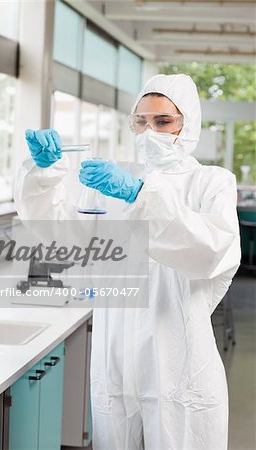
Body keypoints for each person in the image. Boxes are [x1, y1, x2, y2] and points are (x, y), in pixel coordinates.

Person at [15, 74, 241, 449]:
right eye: (141, 121)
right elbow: (63, 237)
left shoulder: (211, 183)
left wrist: (141, 197)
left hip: (177, 365)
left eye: (163, 121)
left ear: (189, 124)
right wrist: (43, 177)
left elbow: (211, 253)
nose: (149, 131)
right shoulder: (111, 183)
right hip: (114, 358)